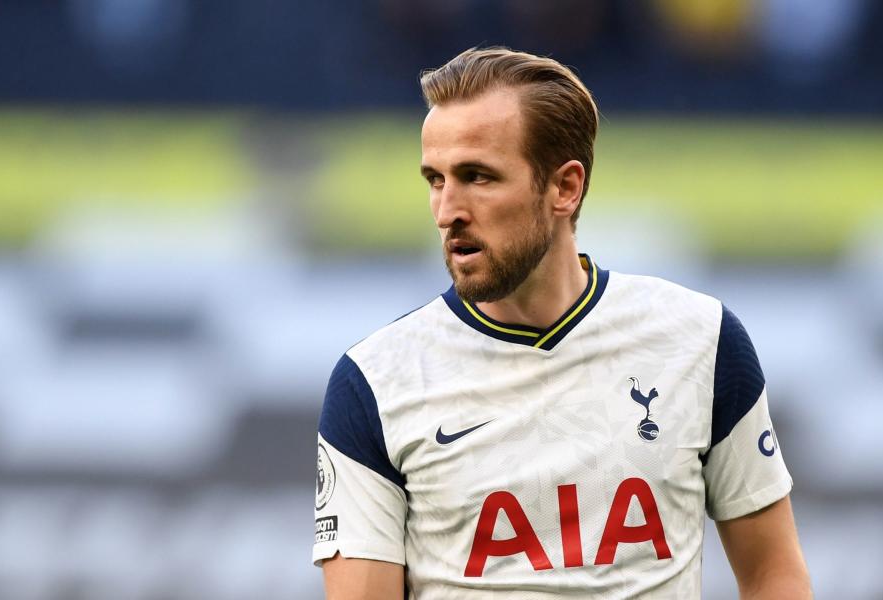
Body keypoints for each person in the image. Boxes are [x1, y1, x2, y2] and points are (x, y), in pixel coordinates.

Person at [312, 47, 812, 599]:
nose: (446, 210)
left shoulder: (701, 339)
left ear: (564, 188)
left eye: (477, 177)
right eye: (436, 179)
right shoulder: (376, 381)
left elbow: (773, 574)